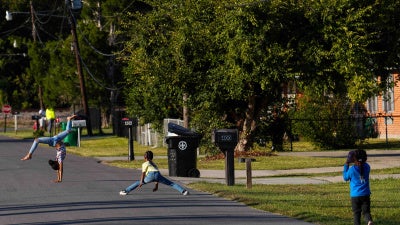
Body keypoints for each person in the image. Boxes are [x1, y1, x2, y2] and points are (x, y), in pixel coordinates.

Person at [119, 150, 189, 196]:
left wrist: (141, 182)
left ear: (145, 157)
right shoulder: (154, 164)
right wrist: (156, 187)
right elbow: (156, 177)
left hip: (150, 175)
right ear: (152, 157)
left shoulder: (145, 163)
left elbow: (143, 173)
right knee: (171, 184)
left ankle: (126, 191)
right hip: (157, 174)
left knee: (137, 183)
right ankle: (184, 191)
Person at [343, 149, 374, 225]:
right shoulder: (367, 167)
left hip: (355, 195)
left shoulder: (352, 170)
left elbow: (345, 177)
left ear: (354, 159)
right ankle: (369, 221)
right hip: (366, 194)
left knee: (357, 213)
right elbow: (362, 165)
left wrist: (346, 164)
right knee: (366, 212)